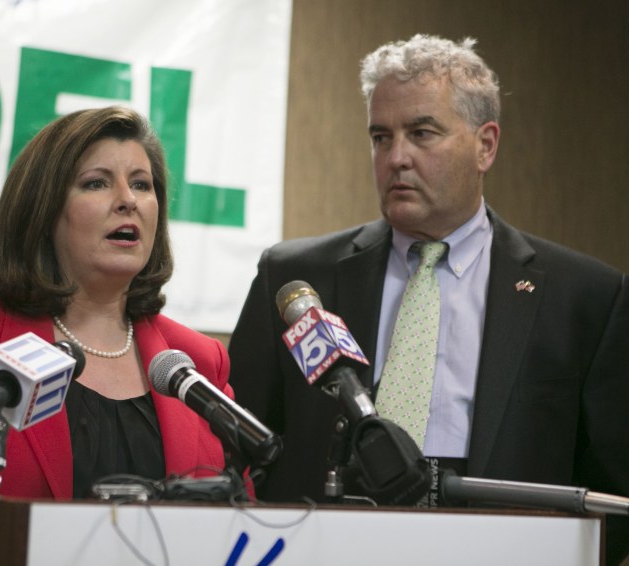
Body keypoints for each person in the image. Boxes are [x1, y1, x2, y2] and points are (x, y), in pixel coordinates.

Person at [228, 34, 629, 564]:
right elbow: (235, 448)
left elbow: (613, 494)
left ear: (486, 145)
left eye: (422, 133)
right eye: (380, 137)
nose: (396, 158)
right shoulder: (297, 278)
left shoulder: (584, 297)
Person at [0, 106, 235, 562]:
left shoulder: (198, 360)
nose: (129, 200)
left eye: (141, 184)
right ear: (43, 208)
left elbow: (244, 516)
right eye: (96, 182)